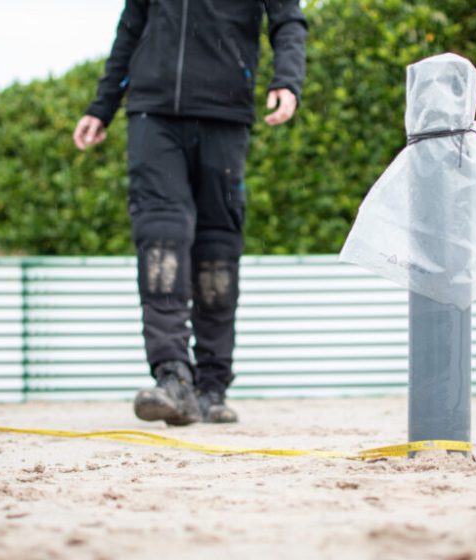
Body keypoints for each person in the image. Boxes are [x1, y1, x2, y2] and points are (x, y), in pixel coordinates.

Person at [72, 1, 307, 426]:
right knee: (161, 239)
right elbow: (130, 29)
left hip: (225, 114)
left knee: (217, 250)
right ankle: (172, 376)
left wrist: (288, 79)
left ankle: (212, 386)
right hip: (153, 114)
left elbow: (288, 19)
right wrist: (100, 106)